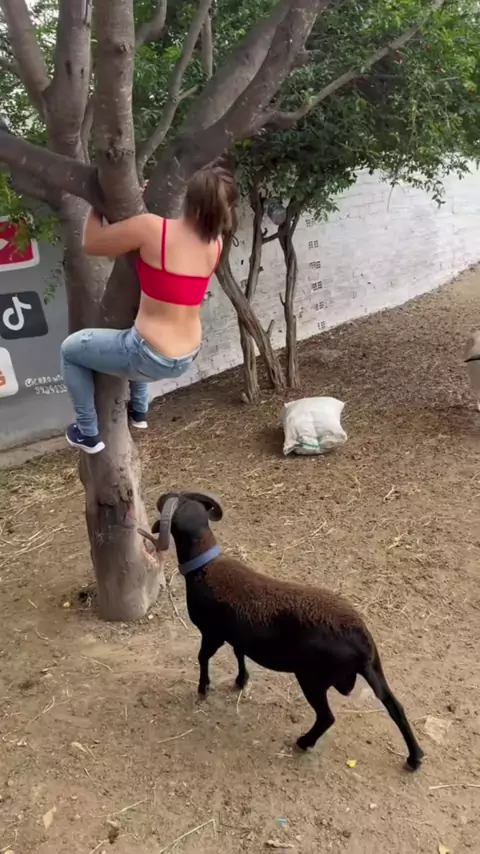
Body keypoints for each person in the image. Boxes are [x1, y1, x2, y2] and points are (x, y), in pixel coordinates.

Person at [60, 166, 237, 454]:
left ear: (188, 198)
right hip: (186, 354)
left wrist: (98, 204)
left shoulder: (154, 229)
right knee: (137, 329)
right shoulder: (215, 244)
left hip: (148, 354)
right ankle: (140, 411)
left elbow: (91, 243)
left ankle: (87, 432)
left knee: (70, 349)